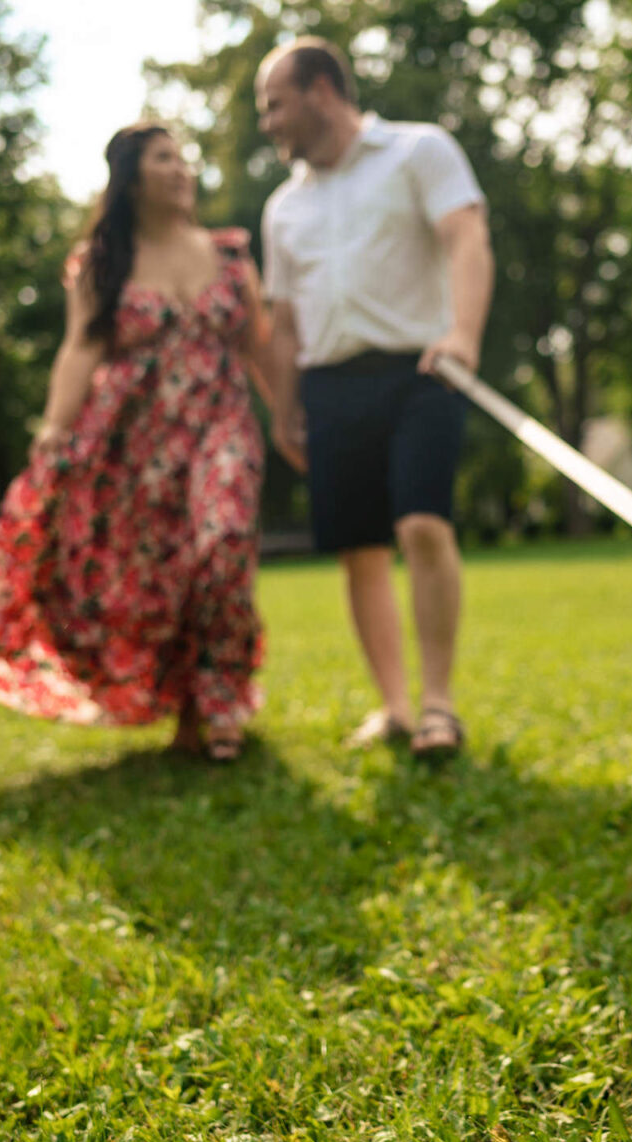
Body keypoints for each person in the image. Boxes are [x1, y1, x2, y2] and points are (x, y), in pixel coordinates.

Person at [0, 123, 273, 762]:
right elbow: (81, 347)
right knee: (159, 575)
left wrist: (290, 418)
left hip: (220, 423)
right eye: (163, 159)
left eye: (183, 158)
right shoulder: (104, 261)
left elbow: (259, 345)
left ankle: (224, 695)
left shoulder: (229, 255)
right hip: (133, 443)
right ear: (132, 177)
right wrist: (55, 429)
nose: (180, 170)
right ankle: (191, 707)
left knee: (223, 541)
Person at [255, 37, 494, 759]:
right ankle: (394, 708)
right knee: (358, 551)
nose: (267, 122)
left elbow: (465, 236)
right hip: (329, 385)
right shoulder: (282, 207)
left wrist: (463, 334)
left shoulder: (418, 151)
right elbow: (286, 320)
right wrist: (285, 408)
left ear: (321, 90)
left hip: (422, 368)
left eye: (274, 103)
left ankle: (439, 707)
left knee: (422, 524)